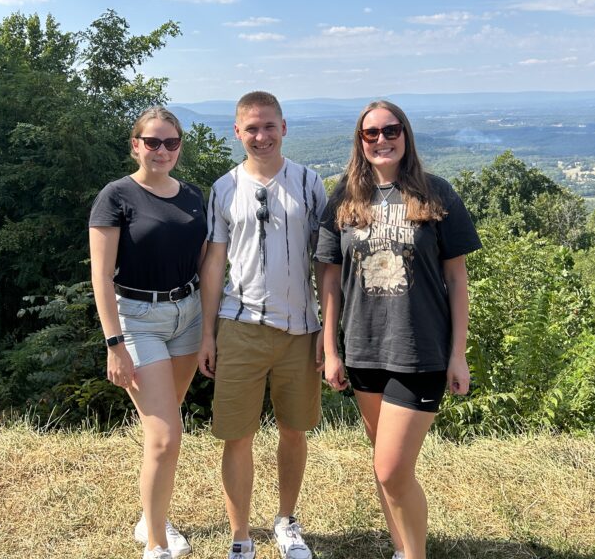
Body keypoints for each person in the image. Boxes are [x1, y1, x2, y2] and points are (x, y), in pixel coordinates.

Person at [315, 100, 481, 559]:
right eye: (371, 133)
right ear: (360, 141)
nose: (382, 140)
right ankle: (401, 548)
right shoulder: (343, 199)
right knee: (382, 463)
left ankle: (415, 554)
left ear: (405, 135)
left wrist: (458, 354)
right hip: (364, 347)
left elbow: (457, 279)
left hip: (421, 349)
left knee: (391, 470)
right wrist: (331, 349)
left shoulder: (436, 194)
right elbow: (329, 279)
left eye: (391, 131)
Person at [198, 91, 327, 559]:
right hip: (239, 324)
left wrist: (326, 329)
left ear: (284, 127)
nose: (261, 136)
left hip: (300, 327)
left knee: (295, 430)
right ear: (237, 132)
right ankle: (240, 536)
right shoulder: (223, 188)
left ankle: (287, 521)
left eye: (269, 126)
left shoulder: (310, 183)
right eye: (251, 128)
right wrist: (207, 333)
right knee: (237, 436)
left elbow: (325, 261)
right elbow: (214, 264)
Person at [89, 107, 206, 559]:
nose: (162, 150)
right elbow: (101, 277)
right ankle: (156, 544)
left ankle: (150, 517)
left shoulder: (192, 195)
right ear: (135, 145)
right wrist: (114, 344)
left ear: (179, 147)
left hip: (188, 315)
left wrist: (210, 325)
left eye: (170, 142)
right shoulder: (116, 195)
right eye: (152, 142)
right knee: (165, 436)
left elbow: (205, 262)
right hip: (138, 319)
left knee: (165, 426)